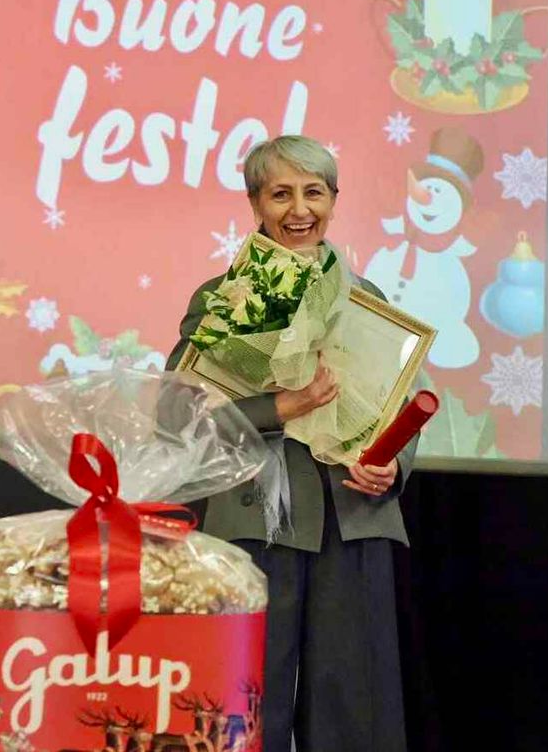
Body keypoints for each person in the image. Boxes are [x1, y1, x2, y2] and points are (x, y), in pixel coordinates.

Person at [167, 135, 416, 752]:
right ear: (256, 203)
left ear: (334, 200)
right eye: (281, 194)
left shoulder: (367, 299)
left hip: (352, 513)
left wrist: (391, 464)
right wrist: (279, 408)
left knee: (354, 699)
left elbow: (399, 403)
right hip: (256, 514)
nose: (299, 209)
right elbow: (178, 418)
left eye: (314, 192)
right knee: (248, 692)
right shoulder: (225, 298)